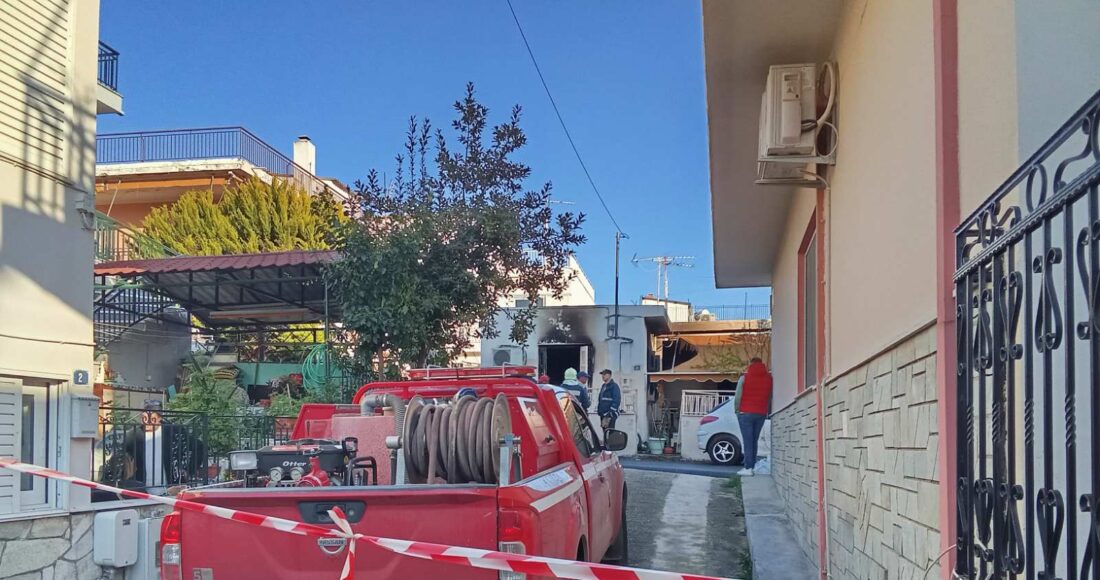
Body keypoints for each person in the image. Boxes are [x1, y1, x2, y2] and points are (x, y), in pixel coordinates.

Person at [734, 357, 773, 476]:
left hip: (745, 413)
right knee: (754, 440)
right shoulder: (769, 379)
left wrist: (737, 410)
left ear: (750, 364)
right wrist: (766, 410)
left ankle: (748, 468)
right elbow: (769, 396)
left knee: (748, 441)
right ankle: (753, 466)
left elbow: (738, 396)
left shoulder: (744, 378)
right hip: (761, 413)